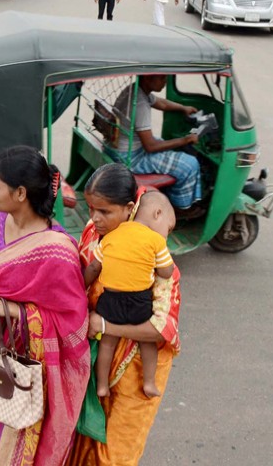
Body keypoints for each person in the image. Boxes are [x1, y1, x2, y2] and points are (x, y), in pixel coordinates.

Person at [0, 146, 89, 466]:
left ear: (20, 192)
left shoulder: (57, 252)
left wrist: (12, 312)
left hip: (33, 369)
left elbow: (73, 323)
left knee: (13, 450)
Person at [65, 163, 181, 466]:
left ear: (130, 208)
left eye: (104, 211)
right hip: (94, 356)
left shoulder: (154, 257)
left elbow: (160, 329)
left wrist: (105, 324)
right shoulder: (95, 232)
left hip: (138, 368)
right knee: (83, 440)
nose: (94, 218)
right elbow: (79, 280)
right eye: (91, 209)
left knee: (115, 454)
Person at [84, 191, 176, 399]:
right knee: (147, 343)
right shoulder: (156, 241)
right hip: (139, 301)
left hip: (109, 300)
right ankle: (150, 383)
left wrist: (82, 285)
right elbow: (167, 272)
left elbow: (93, 268)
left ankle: (101, 386)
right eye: (168, 228)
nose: (166, 234)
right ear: (157, 214)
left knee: (107, 342)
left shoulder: (111, 235)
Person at [107, 75, 201, 215]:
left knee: (166, 145)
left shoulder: (136, 90)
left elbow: (160, 103)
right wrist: (185, 140)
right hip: (130, 158)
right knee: (190, 164)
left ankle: (171, 194)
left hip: (116, 148)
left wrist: (183, 108)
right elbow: (150, 146)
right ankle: (181, 209)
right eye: (162, 78)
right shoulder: (140, 105)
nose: (165, 82)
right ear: (147, 79)